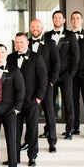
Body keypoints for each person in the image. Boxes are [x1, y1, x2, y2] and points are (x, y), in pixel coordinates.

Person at [7, 33, 47, 167]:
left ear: (27, 43)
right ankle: (15, 157)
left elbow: (43, 79)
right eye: (17, 42)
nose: (19, 45)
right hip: (14, 102)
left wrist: (38, 98)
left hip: (31, 101)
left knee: (32, 130)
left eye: (21, 42)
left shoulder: (36, 57)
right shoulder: (10, 58)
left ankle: (32, 156)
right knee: (15, 130)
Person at [0, 44, 25, 167]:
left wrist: (17, 108)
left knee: (11, 141)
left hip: (10, 111)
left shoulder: (14, 70)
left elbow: (21, 90)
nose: (0, 55)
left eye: (2, 52)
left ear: (6, 53)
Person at [45, 10, 80, 140]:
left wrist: (71, 73)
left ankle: (69, 130)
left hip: (66, 75)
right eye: (55, 17)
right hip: (50, 77)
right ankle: (48, 129)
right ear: (53, 20)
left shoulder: (71, 35)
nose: (57, 19)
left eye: (60, 17)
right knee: (49, 104)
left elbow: (76, 56)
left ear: (64, 20)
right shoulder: (47, 35)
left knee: (68, 103)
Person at [29, 19, 60, 152]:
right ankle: (28, 141)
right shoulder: (25, 42)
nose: (35, 28)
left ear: (42, 28)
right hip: (30, 86)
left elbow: (56, 64)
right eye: (33, 26)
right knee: (30, 115)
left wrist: (52, 82)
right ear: (30, 28)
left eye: (37, 26)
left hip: (46, 85)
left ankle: (52, 141)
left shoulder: (50, 43)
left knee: (49, 113)